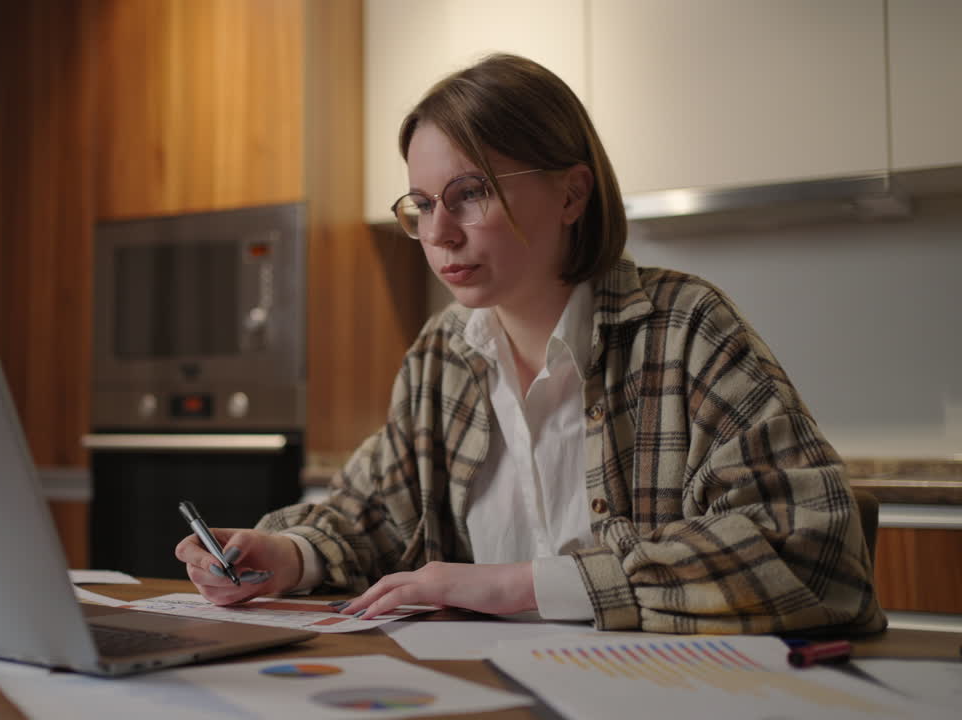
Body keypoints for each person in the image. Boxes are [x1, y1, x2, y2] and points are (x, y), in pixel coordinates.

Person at [175, 53, 886, 635]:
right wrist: (288, 554)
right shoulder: (441, 354)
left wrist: (520, 586)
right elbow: (369, 518)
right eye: (421, 206)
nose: (439, 234)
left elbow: (815, 554)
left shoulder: (684, 329)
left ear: (573, 195)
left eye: (471, 193)